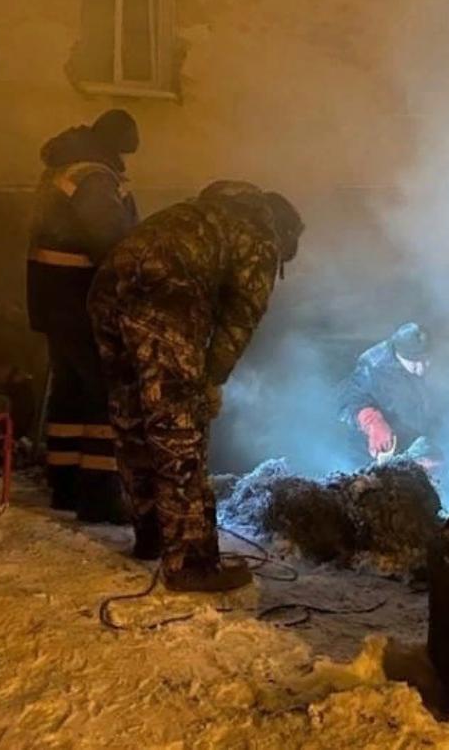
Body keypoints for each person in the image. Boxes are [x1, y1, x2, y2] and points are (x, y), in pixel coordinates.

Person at [88, 180, 304, 593]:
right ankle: (191, 561)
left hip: (108, 285)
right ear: (284, 232)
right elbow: (240, 319)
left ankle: (152, 533)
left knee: (132, 413)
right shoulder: (259, 232)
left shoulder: (206, 213)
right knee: (178, 429)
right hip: (165, 295)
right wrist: (209, 381)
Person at [27, 109, 141, 521]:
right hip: (82, 301)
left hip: (55, 303)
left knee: (70, 391)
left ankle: (65, 486)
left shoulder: (67, 168)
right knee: (103, 391)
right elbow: (112, 240)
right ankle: (98, 496)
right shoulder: (93, 178)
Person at [336, 322, 431, 465]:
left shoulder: (441, 362)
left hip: (415, 446)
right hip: (372, 452)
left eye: (426, 360)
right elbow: (349, 399)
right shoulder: (374, 366)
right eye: (414, 363)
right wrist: (373, 422)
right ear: (399, 356)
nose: (421, 368)